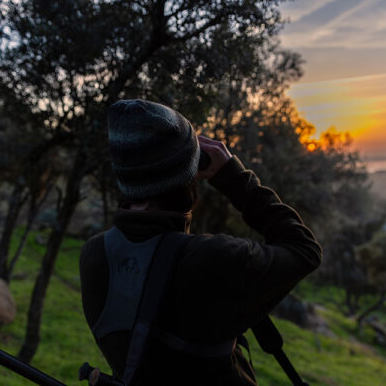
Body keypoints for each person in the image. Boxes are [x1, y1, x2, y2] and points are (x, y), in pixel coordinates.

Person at [79, 99, 322, 386]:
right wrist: (233, 177)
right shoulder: (215, 260)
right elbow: (304, 248)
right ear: (190, 177)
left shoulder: (94, 256)